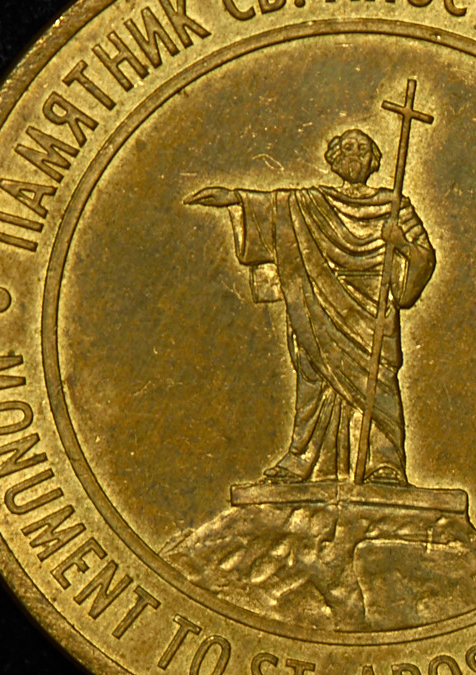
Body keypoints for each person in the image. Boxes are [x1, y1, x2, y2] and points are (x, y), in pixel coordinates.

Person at [186, 128, 435, 485]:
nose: (354, 154)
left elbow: (424, 255)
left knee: (377, 382)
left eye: (362, 149)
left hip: (372, 309)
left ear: (373, 161)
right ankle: (306, 459)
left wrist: (401, 244)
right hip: (318, 302)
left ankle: (383, 464)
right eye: (346, 148)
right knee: (315, 376)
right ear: (333, 159)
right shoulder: (313, 203)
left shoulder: (394, 206)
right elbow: (277, 208)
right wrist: (236, 199)